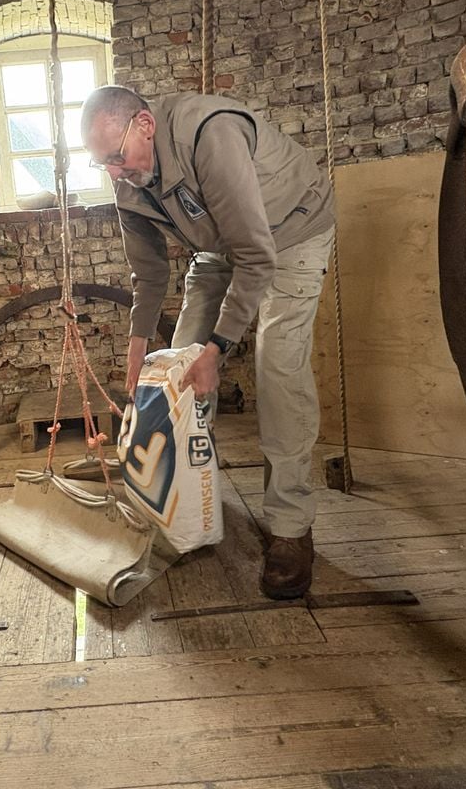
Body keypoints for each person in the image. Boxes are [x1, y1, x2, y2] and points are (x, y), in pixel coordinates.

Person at [80, 85, 335, 599]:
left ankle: (290, 526)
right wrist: (136, 351)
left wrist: (218, 349)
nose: (113, 172)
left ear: (145, 126)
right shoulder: (127, 178)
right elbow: (148, 275)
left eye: (116, 157)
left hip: (291, 233)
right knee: (177, 365)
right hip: (222, 245)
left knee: (277, 369)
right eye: (100, 163)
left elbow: (258, 256)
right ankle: (186, 494)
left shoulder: (211, 135)